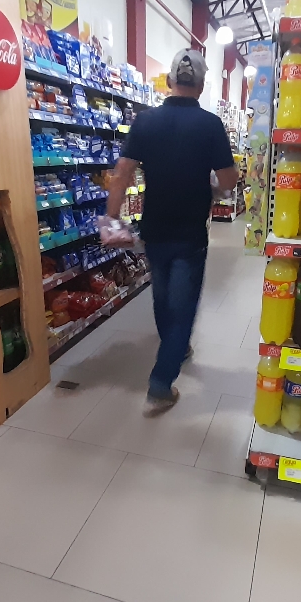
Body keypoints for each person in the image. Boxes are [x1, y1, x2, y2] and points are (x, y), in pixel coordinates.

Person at [104, 48, 238, 416]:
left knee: (162, 296)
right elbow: (229, 181)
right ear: (202, 85)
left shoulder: (145, 122)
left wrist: (112, 219)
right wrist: (212, 185)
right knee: (184, 306)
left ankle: (175, 347)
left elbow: (121, 174)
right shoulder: (211, 125)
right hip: (190, 232)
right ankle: (162, 382)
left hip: (154, 228)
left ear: (168, 81)